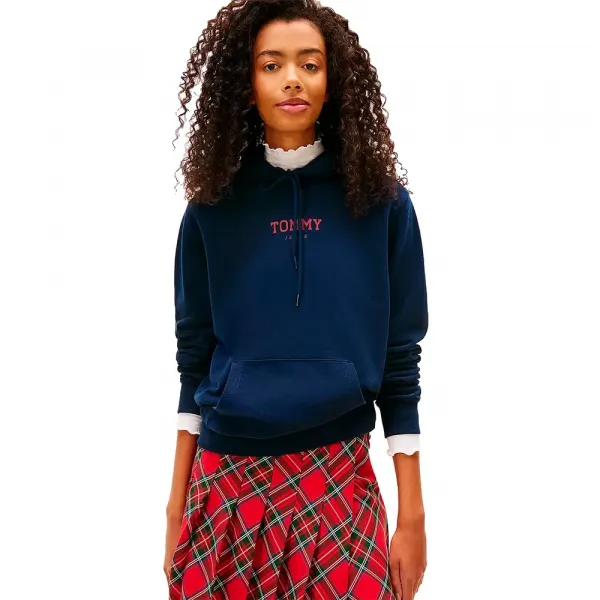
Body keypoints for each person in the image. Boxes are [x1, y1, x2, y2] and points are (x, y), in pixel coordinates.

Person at [164, 1, 429, 598]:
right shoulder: (211, 208)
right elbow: (193, 358)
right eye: (271, 65)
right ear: (246, 83)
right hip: (227, 481)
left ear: (334, 81)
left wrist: (411, 513)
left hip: (339, 476)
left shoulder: (382, 205)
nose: (291, 79)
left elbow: (400, 359)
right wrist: (175, 504)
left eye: (310, 64)